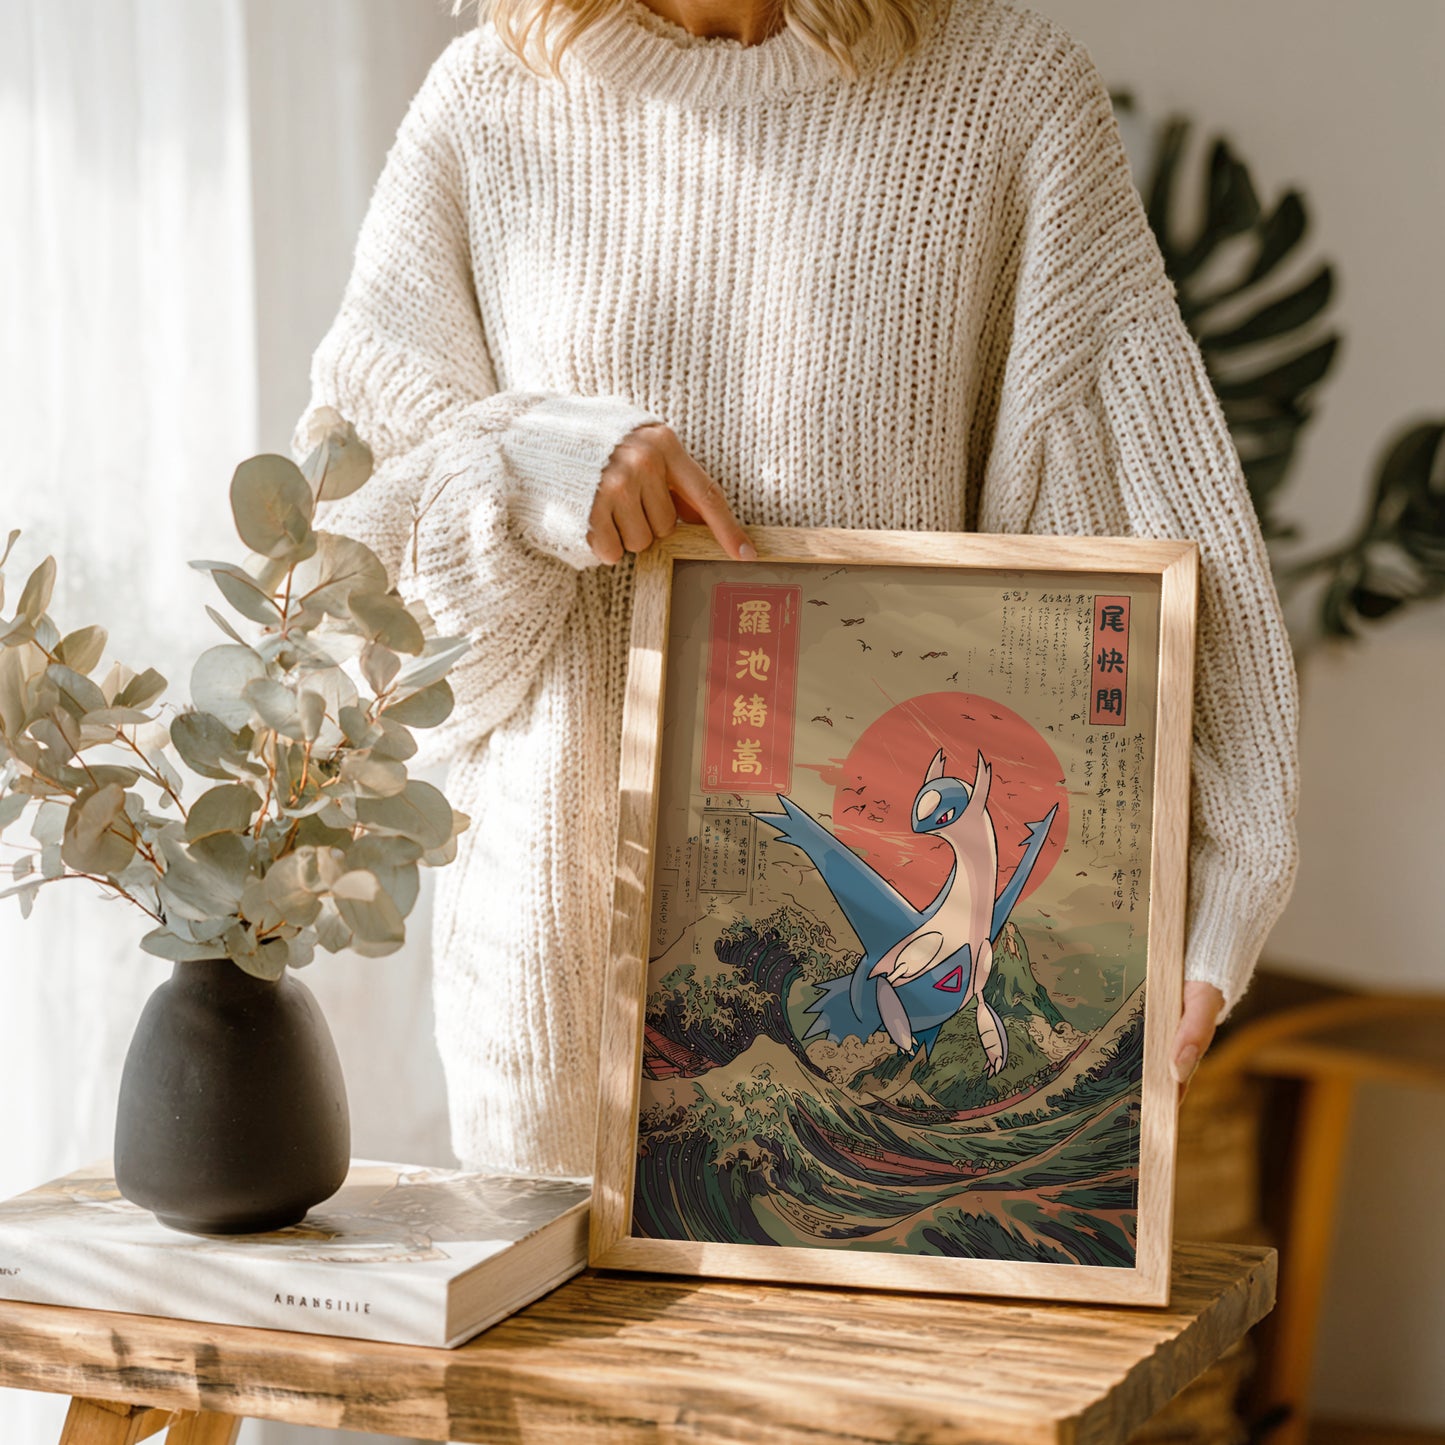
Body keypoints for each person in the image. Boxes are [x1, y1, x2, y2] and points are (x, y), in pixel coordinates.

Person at [289, 0, 1299, 1178]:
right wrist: (528, 463)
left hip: (885, 1093)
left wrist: (1215, 881)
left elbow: (1135, 527)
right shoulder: (485, 107)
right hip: (552, 1009)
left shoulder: (1006, 96)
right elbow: (345, 611)